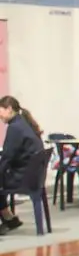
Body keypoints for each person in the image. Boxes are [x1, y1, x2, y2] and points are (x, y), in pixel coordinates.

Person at [0, 96, 44, 232]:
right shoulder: (24, 123)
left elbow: (7, 156)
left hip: (23, 178)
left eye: (0, 112)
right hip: (34, 175)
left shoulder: (15, 128)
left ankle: (8, 218)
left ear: (9, 109)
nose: (0, 117)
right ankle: (10, 219)